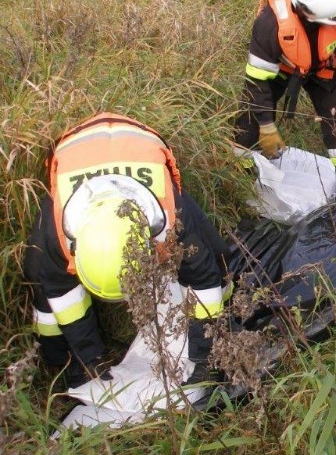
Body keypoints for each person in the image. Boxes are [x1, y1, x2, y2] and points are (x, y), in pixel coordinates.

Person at [23, 113, 231, 388]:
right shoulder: (57, 233)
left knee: (214, 255)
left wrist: (205, 361)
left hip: (137, 144)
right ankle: (62, 364)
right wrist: (88, 360)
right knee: (40, 279)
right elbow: (64, 296)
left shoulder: (171, 218)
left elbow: (202, 278)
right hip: (77, 152)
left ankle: (224, 326)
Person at [234, 0, 336, 194]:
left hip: (323, 69)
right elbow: (257, 80)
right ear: (307, 12)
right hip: (279, 70)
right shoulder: (270, 23)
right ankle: (242, 183)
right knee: (249, 123)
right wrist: (266, 125)